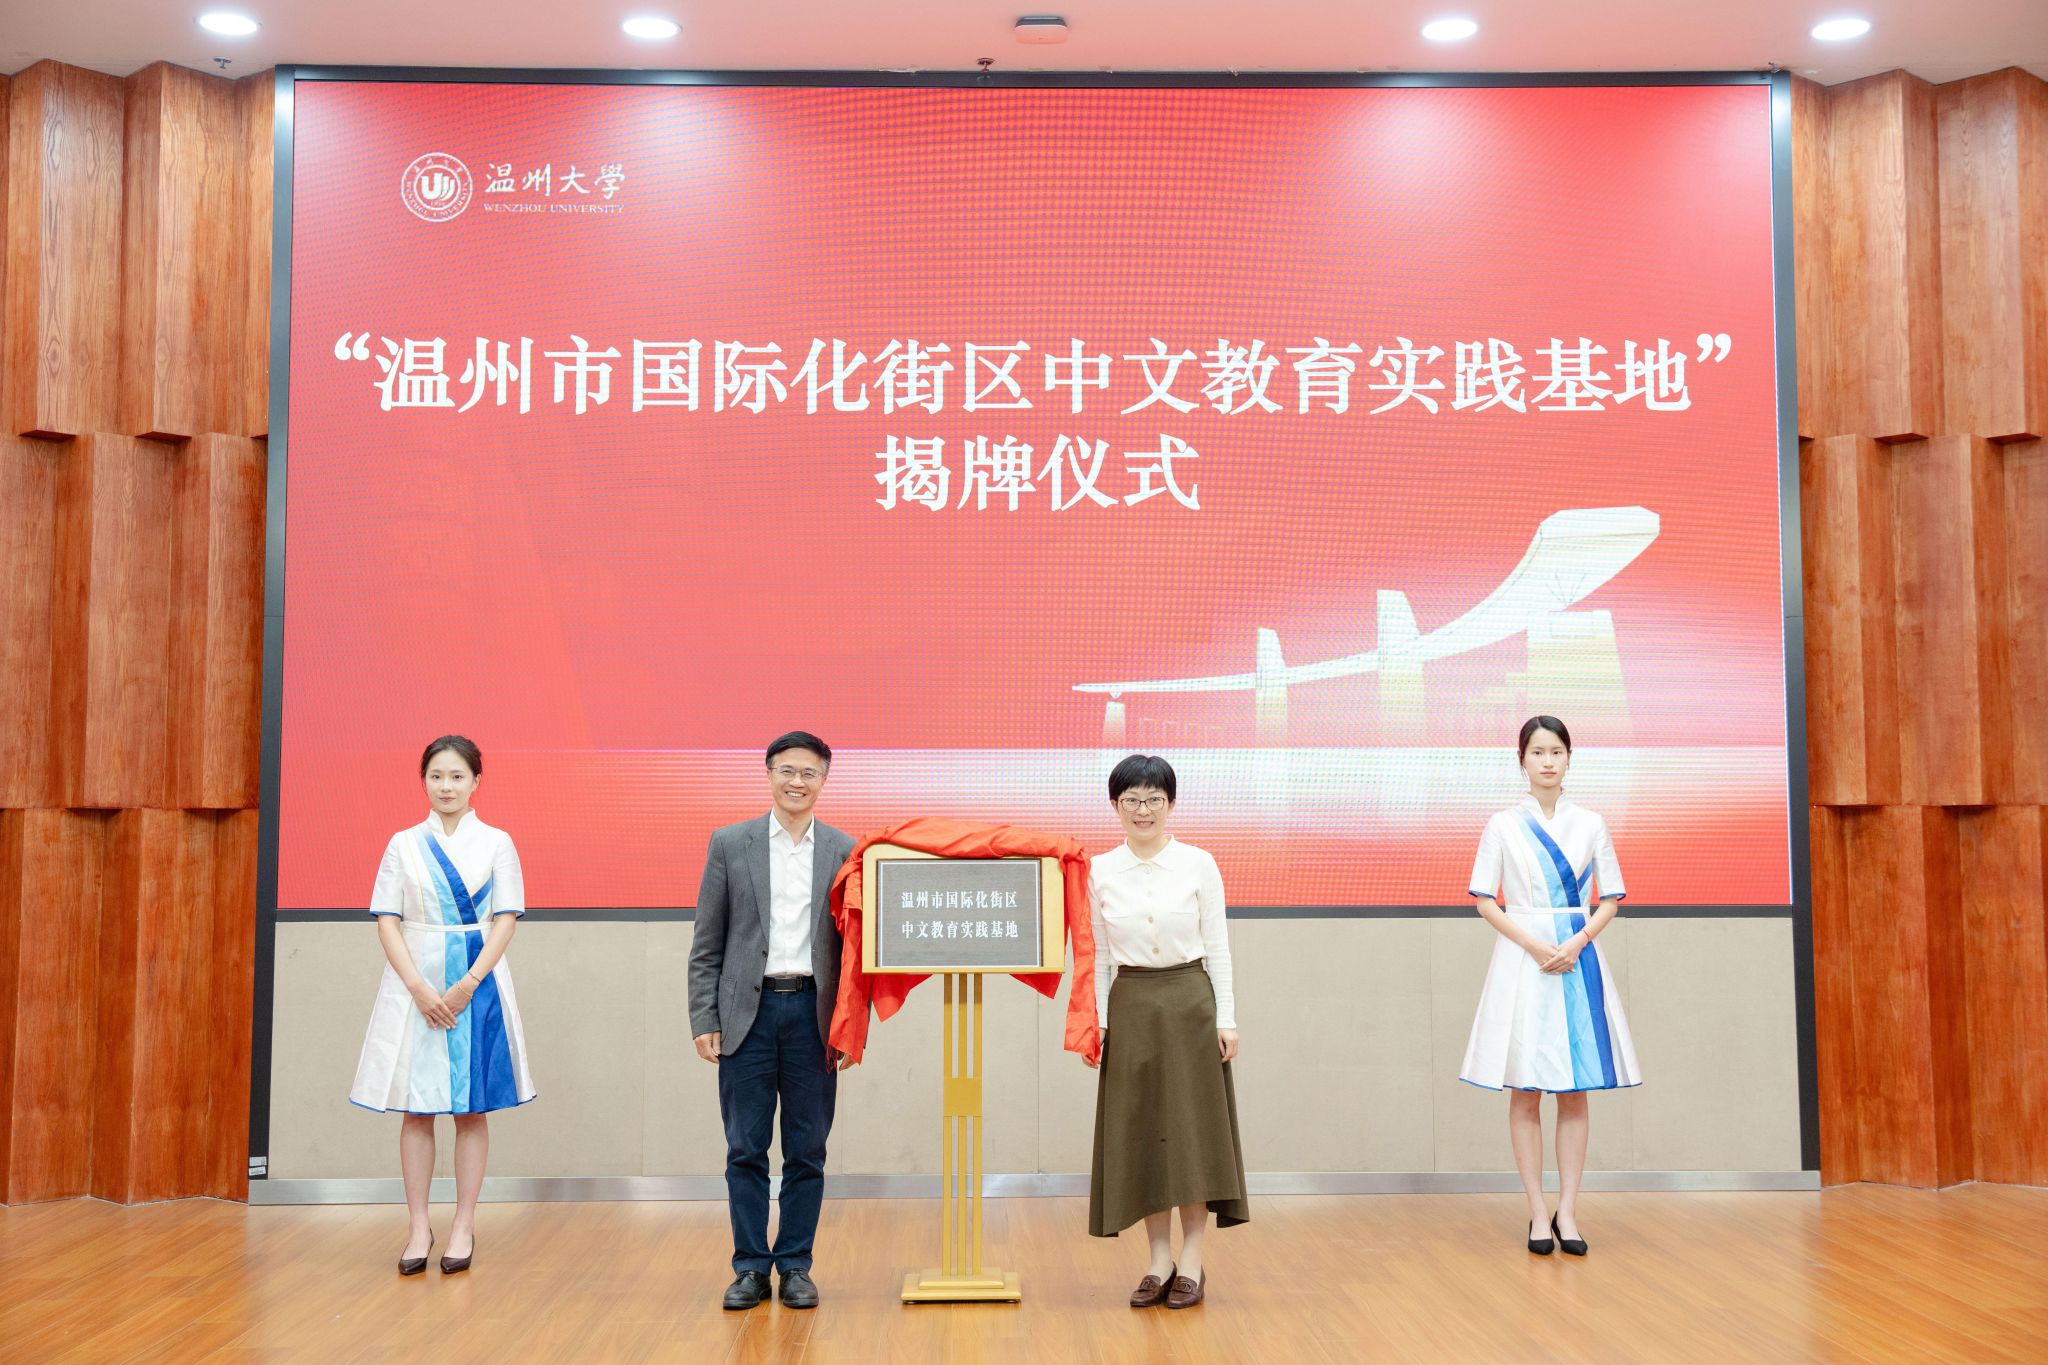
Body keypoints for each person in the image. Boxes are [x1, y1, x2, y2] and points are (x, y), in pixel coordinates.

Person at [350, 734, 534, 1276]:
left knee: (471, 1108)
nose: (446, 786)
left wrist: (467, 984)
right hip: (415, 980)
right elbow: (387, 920)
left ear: (476, 781)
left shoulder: (497, 842)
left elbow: (506, 919)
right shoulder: (402, 843)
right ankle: (417, 1226)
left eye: (457, 776)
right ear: (423, 781)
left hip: (479, 982)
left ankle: (463, 1224)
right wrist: (418, 988)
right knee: (417, 1108)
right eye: (436, 776)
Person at [688, 732, 859, 1311]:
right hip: (747, 1018)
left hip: (814, 1015)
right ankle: (749, 1268)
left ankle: (795, 1265)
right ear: (768, 774)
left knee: (808, 1150)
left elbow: (855, 950)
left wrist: (850, 1025)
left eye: (809, 773)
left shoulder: (843, 849)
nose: (797, 782)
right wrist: (703, 1016)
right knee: (745, 1148)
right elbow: (707, 942)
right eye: (787, 770)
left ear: (824, 780)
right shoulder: (729, 843)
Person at [1461, 715, 1641, 1257]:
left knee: (1574, 1089)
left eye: (1556, 751)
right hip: (1524, 960)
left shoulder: (1591, 823)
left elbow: (1609, 899)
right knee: (1526, 1088)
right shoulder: (1502, 824)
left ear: (1568, 758)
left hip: (1577, 958)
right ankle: (1537, 1210)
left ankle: (1569, 1210)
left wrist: (1576, 942)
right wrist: (1536, 947)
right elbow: (1484, 901)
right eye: (1537, 752)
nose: (1547, 761)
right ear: (1521, 760)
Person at [1085, 754, 1249, 1309]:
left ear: (1171, 804)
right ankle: (1158, 1261)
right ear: (1115, 805)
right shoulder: (1100, 870)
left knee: (1191, 1135)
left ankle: (1193, 1261)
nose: (1143, 810)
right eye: (1131, 799)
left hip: (1190, 1004)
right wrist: (1100, 1024)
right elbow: (1099, 955)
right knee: (1144, 1135)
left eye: (1154, 799)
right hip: (1131, 1006)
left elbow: (1218, 946)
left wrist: (1226, 1018)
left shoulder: (1198, 863)